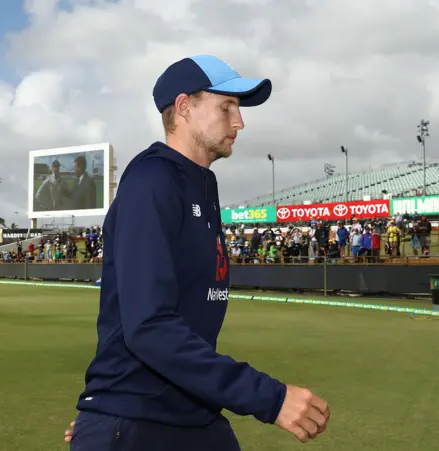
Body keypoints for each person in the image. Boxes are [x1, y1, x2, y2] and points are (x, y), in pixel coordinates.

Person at [64, 55, 330, 450]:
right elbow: (149, 327)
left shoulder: (202, 185)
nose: (239, 122)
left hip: (190, 414)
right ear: (185, 106)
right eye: (227, 107)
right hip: (137, 420)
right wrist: (270, 398)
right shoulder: (152, 180)